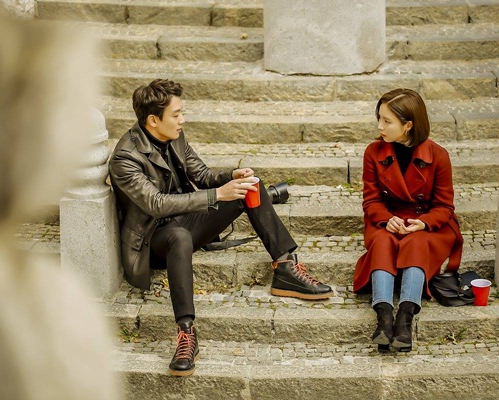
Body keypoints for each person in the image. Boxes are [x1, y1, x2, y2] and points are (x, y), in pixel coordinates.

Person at [108, 79, 332, 376]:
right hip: (154, 239)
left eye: (181, 113)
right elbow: (156, 204)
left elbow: (201, 174)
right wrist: (217, 195)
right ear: (152, 120)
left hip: (186, 218)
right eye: (176, 114)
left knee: (250, 187)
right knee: (179, 236)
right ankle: (186, 333)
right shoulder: (125, 157)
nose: (182, 120)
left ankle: (285, 267)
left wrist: (230, 177)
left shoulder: (174, 135)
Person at [353, 88, 463, 353]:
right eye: (379, 118)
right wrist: (387, 219)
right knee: (382, 241)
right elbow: (371, 201)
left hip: (426, 223)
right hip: (387, 219)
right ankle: (383, 318)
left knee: (416, 242)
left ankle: (405, 318)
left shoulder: (438, 155)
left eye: (387, 121)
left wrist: (423, 223)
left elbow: (444, 206)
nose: (379, 127)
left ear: (408, 125)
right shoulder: (373, 152)